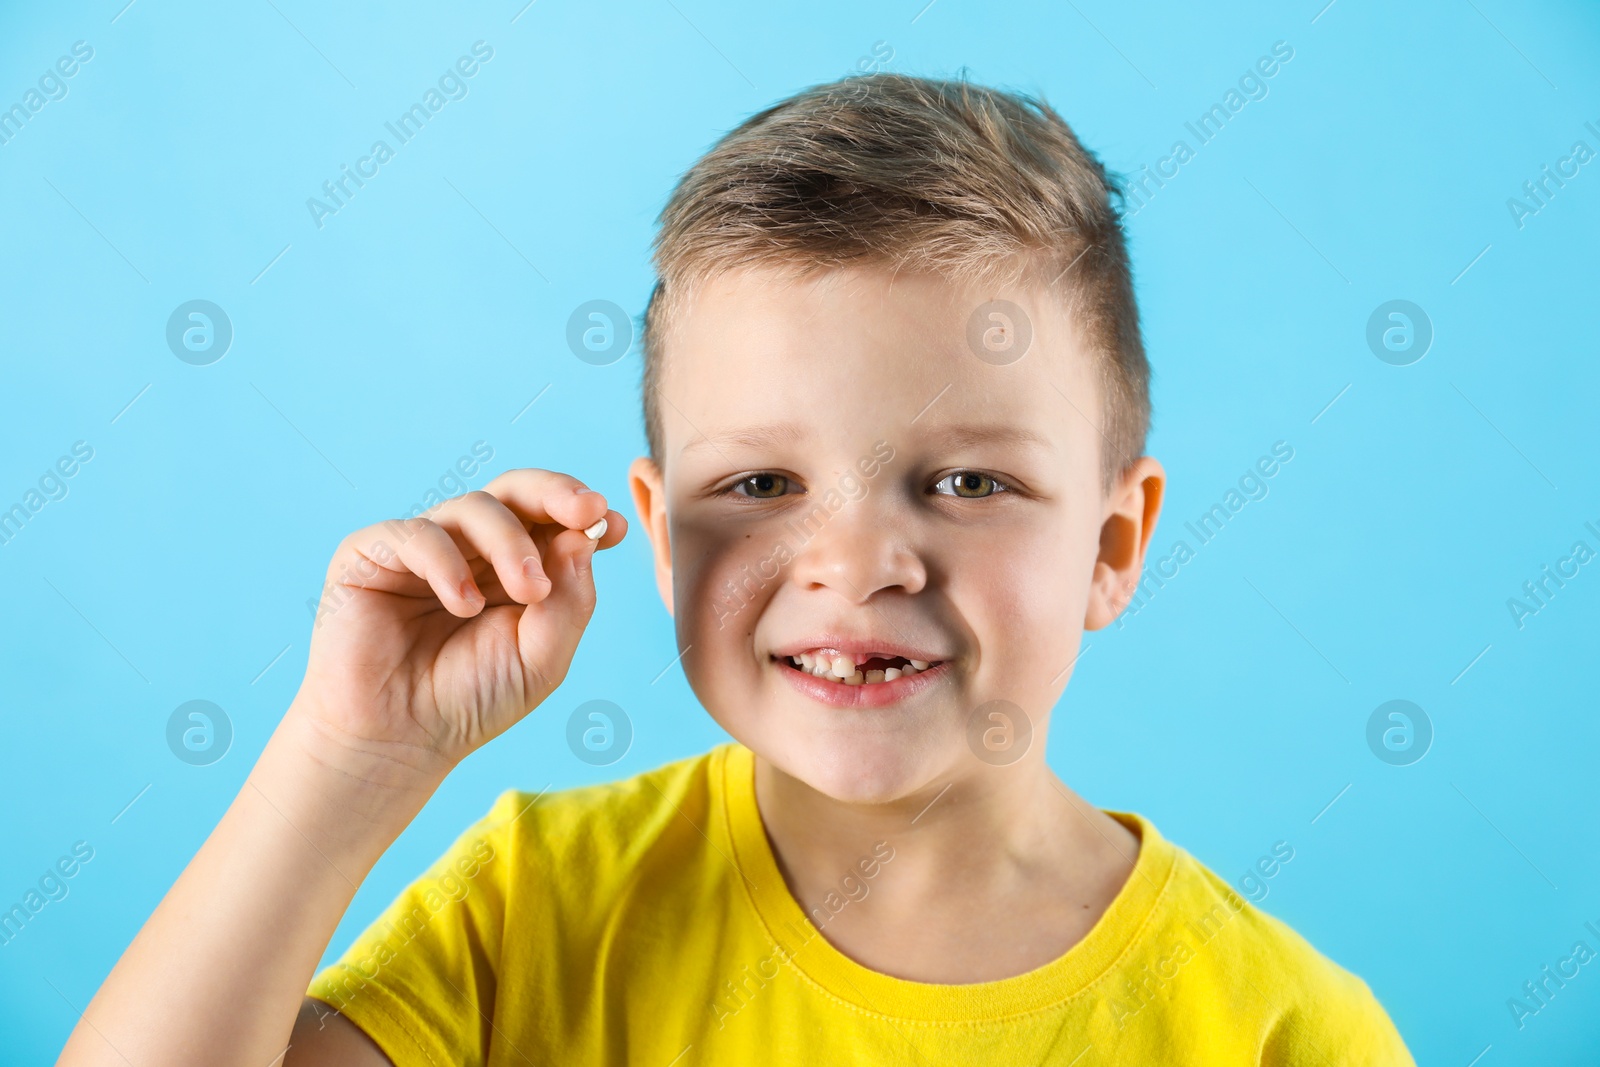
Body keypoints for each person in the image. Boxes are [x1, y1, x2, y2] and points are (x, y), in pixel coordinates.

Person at [61, 72, 1414, 1065]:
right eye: (761, 484)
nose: (855, 563)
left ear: (1112, 545)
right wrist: (351, 759)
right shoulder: (544, 907)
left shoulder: (1282, 1029)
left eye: (965, 483)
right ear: (658, 535)